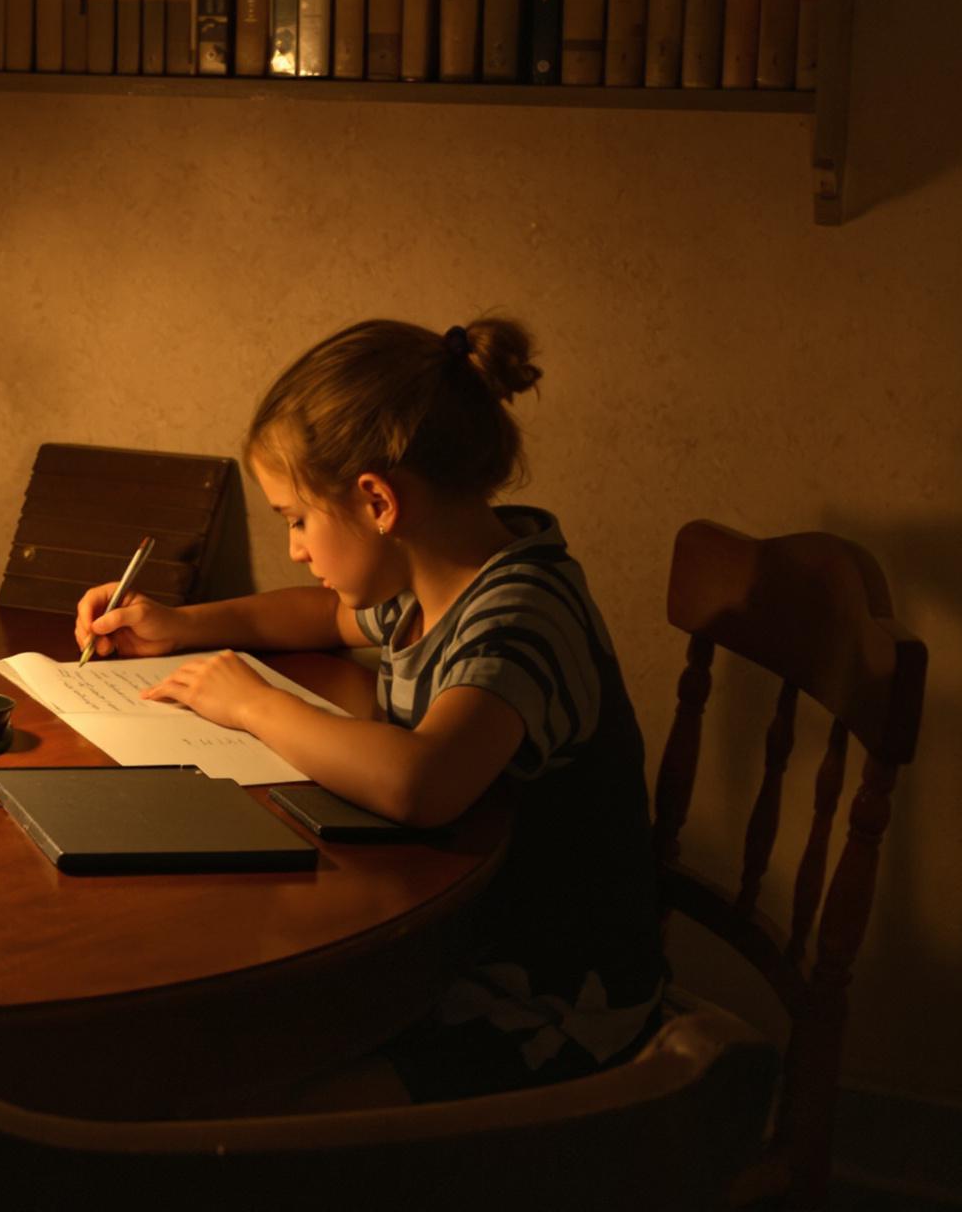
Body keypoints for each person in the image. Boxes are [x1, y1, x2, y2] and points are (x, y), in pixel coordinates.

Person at [75, 316, 663, 1103]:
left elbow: (424, 782)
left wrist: (252, 705)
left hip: (547, 1006)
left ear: (378, 501)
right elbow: (317, 617)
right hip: (449, 943)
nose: (294, 548)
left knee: (248, 1102)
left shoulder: (520, 613)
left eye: (295, 520)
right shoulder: (436, 582)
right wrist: (181, 624)